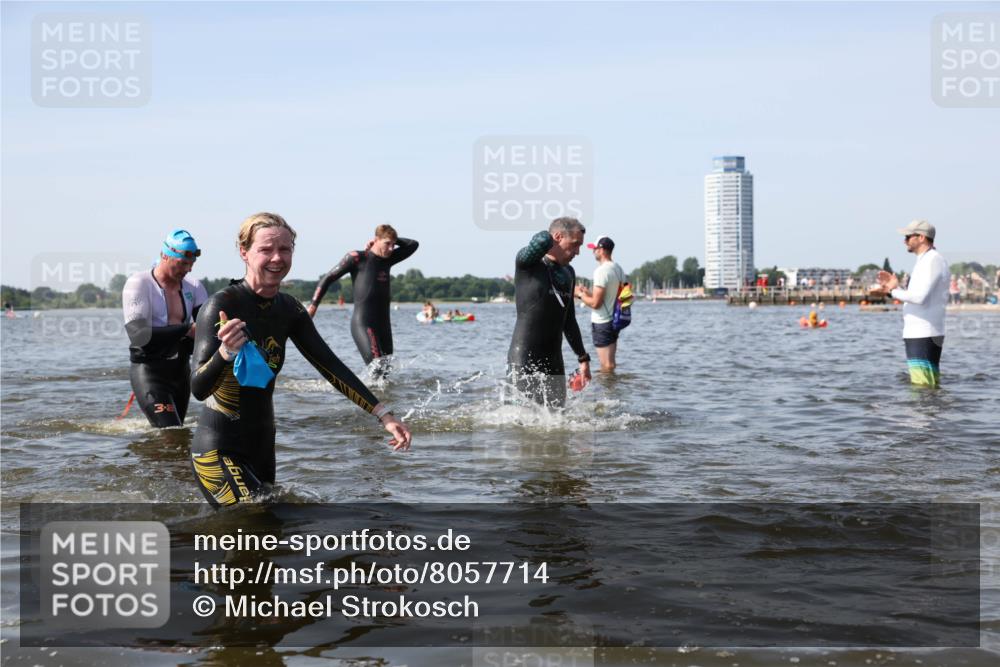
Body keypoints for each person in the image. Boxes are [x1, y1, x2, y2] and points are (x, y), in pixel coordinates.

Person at [189, 213, 411, 508]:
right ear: (244, 252)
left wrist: (384, 415)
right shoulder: (222, 305)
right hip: (218, 450)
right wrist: (224, 353)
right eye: (266, 249)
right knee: (255, 521)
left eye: (285, 249)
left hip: (263, 447)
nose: (277, 258)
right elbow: (198, 388)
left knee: (270, 537)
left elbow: (329, 365)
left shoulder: (289, 309)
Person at [122, 230, 208, 427]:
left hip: (180, 371)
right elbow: (139, 336)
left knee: (179, 434)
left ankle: (167, 460)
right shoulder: (140, 283)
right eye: (183, 263)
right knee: (170, 432)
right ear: (165, 256)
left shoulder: (194, 286)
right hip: (150, 370)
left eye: (191, 264)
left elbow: (206, 329)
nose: (188, 269)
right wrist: (186, 329)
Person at [307, 225, 418, 376]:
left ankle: (382, 398)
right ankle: (366, 395)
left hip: (384, 326)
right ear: (376, 240)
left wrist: (393, 239)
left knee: (385, 373)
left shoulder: (389, 259)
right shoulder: (357, 258)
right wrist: (313, 306)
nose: (392, 248)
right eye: (387, 243)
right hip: (364, 324)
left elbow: (413, 244)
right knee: (378, 369)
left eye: (393, 244)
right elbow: (327, 279)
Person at [508, 217, 591, 407]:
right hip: (524, 358)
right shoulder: (528, 265)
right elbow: (538, 243)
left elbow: (569, 320)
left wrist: (583, 358)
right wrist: (548, 239)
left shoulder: (568, 273)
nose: (577, 252)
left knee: (557, 420)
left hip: (553, 360)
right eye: (575, 244)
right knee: (522, 420)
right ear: (558, 237)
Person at [876, 219, 949, 387]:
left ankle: (926, 413)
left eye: (908, 237)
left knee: (923, 387)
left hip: (924, 332)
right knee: (923, 386)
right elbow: (918, 295)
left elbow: (919, 297)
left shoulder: (933, 260)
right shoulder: (926, 260)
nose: (904, 241)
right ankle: (927, 412)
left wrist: (891, 291)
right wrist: (896, 288)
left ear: (921, 237)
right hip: (919, 332)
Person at [574, 235, 625, 372]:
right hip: (615, 320)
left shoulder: (601, 271)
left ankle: (607, 391)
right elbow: (610, 296)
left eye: (595, 249)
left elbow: (596, 304)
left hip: (602, 323)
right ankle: (612, 389)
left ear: (601, 250)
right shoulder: (618, 268)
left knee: (606, 365)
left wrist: (579, 294)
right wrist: (588, 293)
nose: (593, 252)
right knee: (611, 363)